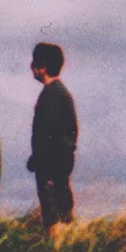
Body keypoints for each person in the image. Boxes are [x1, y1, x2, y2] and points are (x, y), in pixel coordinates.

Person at [27, 41, 78, 228]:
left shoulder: (52, 95)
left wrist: (39, 160)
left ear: (42, 68)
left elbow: (48, 132)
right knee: (62, 215)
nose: (31, 67)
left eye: (35, 63)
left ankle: (57, 247)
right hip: (60, 165)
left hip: (51, 168)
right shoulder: (60, 93)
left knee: (54, 219)